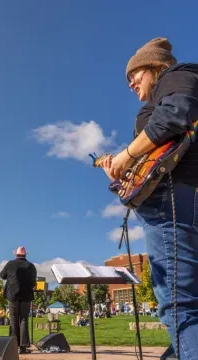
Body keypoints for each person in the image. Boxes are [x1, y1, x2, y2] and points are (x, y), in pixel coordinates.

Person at [101, 37, 198, 359]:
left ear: (157, 66)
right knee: (184, 300)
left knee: (177, 302)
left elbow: (175, 114)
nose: (130, 82)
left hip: (174, 201)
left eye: (135, 73)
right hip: (176, 198)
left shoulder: (177, 75)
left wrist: (127, 155)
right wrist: (119, 167)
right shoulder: (168, 85)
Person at [0, 246, 37, 354]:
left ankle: (13, 347)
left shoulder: (10, 264)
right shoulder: (31, 266)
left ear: (16, 254)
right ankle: (24, 347)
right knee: (24, 319)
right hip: (26, 296)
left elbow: (2, 276)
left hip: (12, 296)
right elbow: (33, 282)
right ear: (25, 255)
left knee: (13, 320)